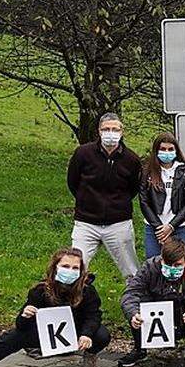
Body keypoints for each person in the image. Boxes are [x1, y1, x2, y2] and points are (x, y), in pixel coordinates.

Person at [67, 112, 141, 280]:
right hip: (86, 223)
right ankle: (70, 302)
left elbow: (133, 189)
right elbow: (73, 182)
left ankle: (135, 303)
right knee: (74, 268)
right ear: (99, 131)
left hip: (119, 223)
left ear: (122, 132)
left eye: (115, 129)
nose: (110, 133)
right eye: (106, 129)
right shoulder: (83, 154)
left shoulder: (131, 160)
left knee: (131, 271)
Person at [118, 239, 185, 367]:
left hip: (183, 318)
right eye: (168, 263)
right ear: (161, 259)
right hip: (155, 317)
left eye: (177, 264)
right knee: (138, 305)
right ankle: (139, 349)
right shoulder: (149, 267)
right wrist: (133, 314)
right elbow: (130, 293)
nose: (172, 268)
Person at [138, 132, 185, 259]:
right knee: (154, 264)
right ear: (156, 150)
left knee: (179, 264)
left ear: (176, 150)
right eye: (163, 149)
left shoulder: (184, 171)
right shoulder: (147, 171)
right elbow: (144, 201)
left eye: (170, 149)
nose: (167, 152)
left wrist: (171, 226)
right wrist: (159, 229)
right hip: (154, 228)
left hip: (179, 226)